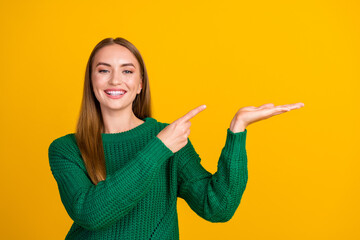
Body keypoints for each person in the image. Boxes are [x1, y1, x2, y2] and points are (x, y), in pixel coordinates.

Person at [48, 37, 304, 239]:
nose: (115, 79)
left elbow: (217, 207)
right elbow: (91, 214)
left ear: (140, 85)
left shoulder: (170, 139)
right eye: (103, 70)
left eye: (127, 71)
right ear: (91, 82)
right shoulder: (66, 149)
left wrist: (238, 130)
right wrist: (158, 148)